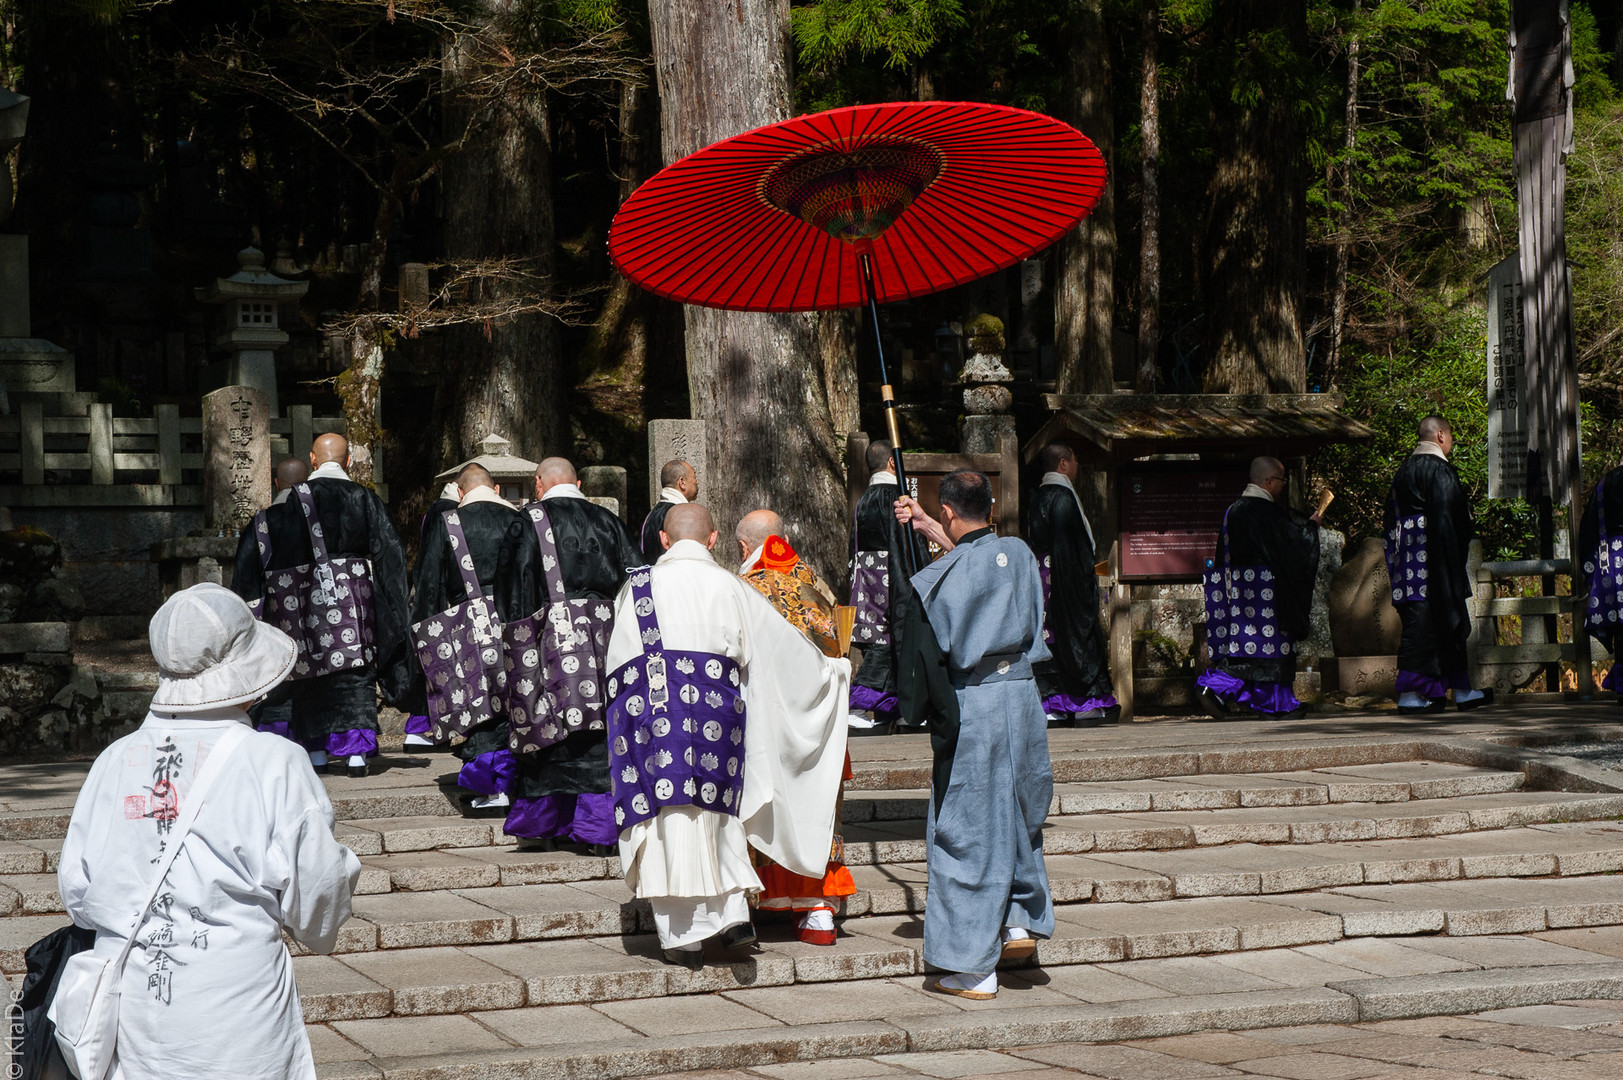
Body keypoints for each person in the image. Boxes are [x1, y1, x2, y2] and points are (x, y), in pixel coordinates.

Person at [57, 583, 361, 1080]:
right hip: (238, 1017)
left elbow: (77, 892)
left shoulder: (114, 761)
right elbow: (317, 901)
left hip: (134, 1014)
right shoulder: (274, 762)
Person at [607, 503, 850, 968]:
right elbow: (780, 655)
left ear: (662, 539)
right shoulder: (733, 586)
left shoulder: (634, 590)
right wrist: (832, 673)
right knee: (722, 817)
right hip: (722, 725)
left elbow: (617, 673)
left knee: (666, 822)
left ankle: (682, 937)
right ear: (714, 540)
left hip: (659, 726)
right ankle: (734, 915)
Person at [892, 472, 1052, 1001]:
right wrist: (931, 528)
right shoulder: (1021, 554)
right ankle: (1017, 923)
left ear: (948, 513)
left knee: (967, 829)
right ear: (990, 507)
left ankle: (972, 965)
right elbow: (980, 555)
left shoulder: (939, 578)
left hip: (977, 703)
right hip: (1024, 698)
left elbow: (927, 652)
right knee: (1019, 814)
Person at [231, 433, 412, 778]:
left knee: (309, 677)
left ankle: (315, 752)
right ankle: (356, 752)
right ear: (346, 461)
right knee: (355, 675)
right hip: (355, 606)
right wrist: (394, 609)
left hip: (301, 608)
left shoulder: (288, 506)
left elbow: (262, 560)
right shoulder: (364, 498)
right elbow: (390, 555)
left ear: (313, 460)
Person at [494, 456, 643, 853]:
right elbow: (635, 578)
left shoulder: (528, 522)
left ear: (539, 483)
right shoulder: (608, 521)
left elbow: (513, 588)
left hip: (547, 637)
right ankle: (598, 829)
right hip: (609, 635)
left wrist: (515, 638)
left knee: (547, 724)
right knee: (600, 727)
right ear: (576, 482)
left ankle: (543, 823)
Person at [734, 509, 856, 945]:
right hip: (819, 725)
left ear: (744, 548)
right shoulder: (815, 586)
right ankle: (816, 911)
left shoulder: (743, 590)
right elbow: (841, 651)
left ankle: (764, 902)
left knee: (768, 805)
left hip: (765, 723)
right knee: (816, 806)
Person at [409, 463, 523, 808]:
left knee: (480, 703)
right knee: (516, 700)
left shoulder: (449, 523)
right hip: (516, 619)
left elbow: (429, 584)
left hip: (466, 624)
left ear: (460, 492)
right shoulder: (521, 521)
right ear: (498, 490)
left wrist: (422, 639)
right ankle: (515, 778)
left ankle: (490, 782)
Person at [1196, 457, 1322, 720]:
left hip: (1241, 594)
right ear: (1269, 481)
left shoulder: (1233, 511)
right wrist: (1311, 527)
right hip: (1268, 595)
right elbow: (1294, 549)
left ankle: (1270, 701)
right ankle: (1223, 686)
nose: (1282, 487)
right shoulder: (1267, 512)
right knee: (1271, 646)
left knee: (1248, 648)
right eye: (1281, 481)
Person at [1385, 415, 1492, 714]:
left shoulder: (1403, 472)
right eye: (1451, 437)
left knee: (1427, 624)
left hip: (1409, 563)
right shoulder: (1440, 470)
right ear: (1441, 436)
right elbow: (1448, 521)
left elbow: (1389, 523)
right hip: (1436, 560)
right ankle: (1410, 694)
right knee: (1433, 625)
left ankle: (1460, 690)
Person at [1026, 443, 1117, 726]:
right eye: (1075, 459)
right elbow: (1070, 550)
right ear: (1064, 463)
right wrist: (1081, 589)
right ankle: (1083, 705)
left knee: (1051, 639)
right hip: (1066, 581)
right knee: (1075, 638)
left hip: (1044, 582)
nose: (1077, 465)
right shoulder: (1063, 497)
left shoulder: (1039, 496)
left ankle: (1054, 705)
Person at [848, 440, 925, 735]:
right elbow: (903, 550)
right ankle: (865, 704)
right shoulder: (895, 498)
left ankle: (884, 710)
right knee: (890, 646)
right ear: (893, 463)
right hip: (893, 586)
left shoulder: (865, 498)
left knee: (881, 645)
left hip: (869, 588)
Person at [247, 457, 313, 740]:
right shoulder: (319, 518)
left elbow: (246, 575)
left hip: (276, 613)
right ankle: (318, 741)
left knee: (277, 673)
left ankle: (273, 733)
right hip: (317, 613)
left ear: (277, 483)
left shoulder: (263, 521)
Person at [1579, 467, 1623, 701]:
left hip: (1612, 559)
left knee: (1620, 627)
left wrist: (1588, 573)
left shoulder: (1605, 483)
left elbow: (1589, 528)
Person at [639, 459, 697, 564]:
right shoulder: (679, 515)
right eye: (694, 477)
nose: (696, 482)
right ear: (682, 482)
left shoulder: (651, 514)